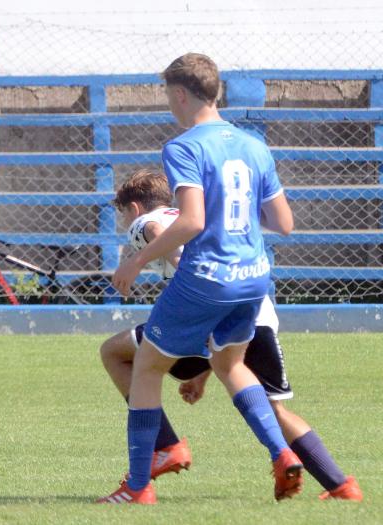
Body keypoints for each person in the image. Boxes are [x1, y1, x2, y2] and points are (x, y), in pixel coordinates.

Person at [99, 53, 301, 504]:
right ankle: (282, 453)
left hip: (207, 277)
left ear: (180, 93)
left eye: (167, 96)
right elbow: (283, 222)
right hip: (254, 278)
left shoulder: (184, 146)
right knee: (230, 366)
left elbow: (189, 222)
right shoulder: (254, 145)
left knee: (147, 367)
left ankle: (137, 487)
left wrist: (133, 263)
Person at [99, 169, 362, 501]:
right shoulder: (197, 214)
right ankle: (341, 486)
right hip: (257, 314)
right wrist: (202, 376)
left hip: (206, 311)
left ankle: (165, 447)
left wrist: (168, 259)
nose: (127, 222)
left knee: (114, 351)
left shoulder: (145, 222)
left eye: (124, 215)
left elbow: (154, 230)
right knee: (274, 409)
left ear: (134, 208)